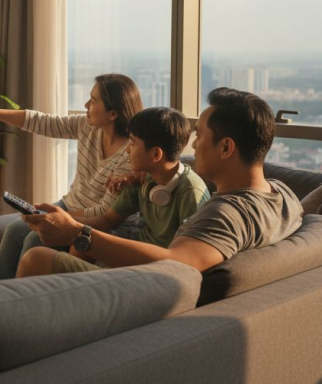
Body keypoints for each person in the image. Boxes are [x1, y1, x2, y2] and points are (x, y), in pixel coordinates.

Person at [17, 87, 304, 276]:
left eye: (200, 135)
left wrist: (79, 233)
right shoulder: (284, 195)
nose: (193, 143)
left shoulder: (226, 212)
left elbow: (177, 264)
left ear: (226, 148)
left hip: (147, 295)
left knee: (37, 260)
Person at [0, 74, 142, 280]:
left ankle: (22, 300)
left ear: (112, 114)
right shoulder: (87, 126)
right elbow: (41, 122)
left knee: (35, 238)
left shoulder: (130, 155)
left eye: (93, 101)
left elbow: (106, 214)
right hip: (71, 205)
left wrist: (58, 216)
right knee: (14, 229)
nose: (86, 105)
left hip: (100, 222)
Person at [59, 107, 211, 270]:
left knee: (38, 258)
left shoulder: (191, 191)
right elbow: (106, 220)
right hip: (138, 250)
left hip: (159, 266)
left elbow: (190, 256)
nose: (127, 150)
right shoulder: (141, 179)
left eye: (132, 143)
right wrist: (64, 220)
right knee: (83, 238)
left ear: (155, 155)